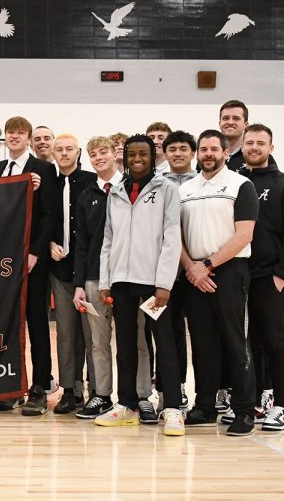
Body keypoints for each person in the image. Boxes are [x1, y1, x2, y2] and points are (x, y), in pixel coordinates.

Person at [96, 134, 185, 436]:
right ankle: (127, 405)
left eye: (143, 154)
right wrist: (107, 279)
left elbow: (172, 237)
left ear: (153, 156)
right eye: (131, 154)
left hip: (152, 283)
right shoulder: (116, 191)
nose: (136, 159)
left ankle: (173, 407)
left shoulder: (167, 189)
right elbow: (108, 239)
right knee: (124, 345)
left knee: (165, 342)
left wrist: (164, 283)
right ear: (125, 156)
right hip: (122, 281)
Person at [180, 129, 258, 436]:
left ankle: (244, 410)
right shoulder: (185, 188)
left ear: (225, 153)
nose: (209, 154)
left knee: (235, 342)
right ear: (197, 154)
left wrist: (208, 265)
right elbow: (176, 234)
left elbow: (244, 235)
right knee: (202, 343)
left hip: (229, 271)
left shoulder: (241, 185)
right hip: (193, 273)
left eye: (215, 149)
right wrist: (192, 267)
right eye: (204, 149)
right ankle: (205, 406)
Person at [73, 136, 153, 420]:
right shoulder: (86, 195)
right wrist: (80, 284)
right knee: (98, 341)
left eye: (103, 152)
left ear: (115, 154)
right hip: (96, 277)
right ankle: (102, 395)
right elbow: (82, 243)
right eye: (93, 154)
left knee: (139, 339)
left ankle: (142, 395)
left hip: (131, 276)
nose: (98, 158)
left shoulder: (134, 189)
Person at [0, 116, 58, 415]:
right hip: (3, 262)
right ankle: (10, 385)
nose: (14, 137)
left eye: (20, 133)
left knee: (38, 324)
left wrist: (35, 253)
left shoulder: (44, 169)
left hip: (32, 262)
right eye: (10, 133)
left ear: (28, 138)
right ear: (5, 138)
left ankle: (40, 387)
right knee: (6, 324)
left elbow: (49, 215)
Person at [48, 134, 96, 414]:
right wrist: (49, 244)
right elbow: (44, 219)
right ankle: (70, 389)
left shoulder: (92, 181)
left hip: (90, 270)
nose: (64, 153)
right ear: (53, 154)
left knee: (92, 335)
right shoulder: (50, 184)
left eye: (69, 149)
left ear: (78, 152)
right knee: (66, 332)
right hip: (60, 269)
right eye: (59, 150)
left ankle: (97, 390)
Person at [241, 124, 284, 431]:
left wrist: (281, 273)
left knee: (276, 341)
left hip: (270, 275)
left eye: (260, 143)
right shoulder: (235, 181)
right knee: (250, 342)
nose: (254, 147)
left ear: (271, 147)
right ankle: (255, 400)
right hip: (240, 275)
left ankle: (280, 405)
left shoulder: (280, 184)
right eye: (249, 142)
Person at [156, 130, 198, 413]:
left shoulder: (204, 182)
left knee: (201, 333)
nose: (178, 153)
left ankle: (214, 391)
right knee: (167, 334)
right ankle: (170, 389)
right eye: (173, 149)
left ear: (192, 152)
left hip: (199, 271)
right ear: (165, 153)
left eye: (184, 148)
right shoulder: (156, 184)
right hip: (164, 273)